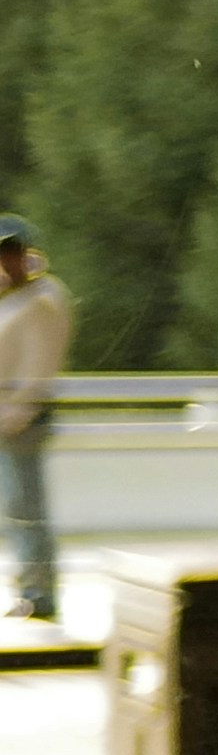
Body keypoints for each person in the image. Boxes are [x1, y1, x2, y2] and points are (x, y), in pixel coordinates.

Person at [0, 216, 64, 626]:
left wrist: (15, 414)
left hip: (21, 417)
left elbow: (41, 367)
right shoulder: (14, 298)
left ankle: (39, 593)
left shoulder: (43, 299)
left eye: (12, 251)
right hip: (8, 415)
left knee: (26, 508)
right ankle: (30, 587)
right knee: (15, 507)